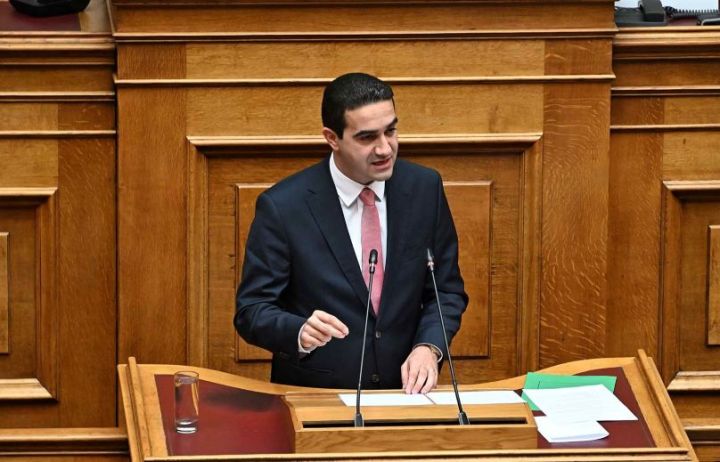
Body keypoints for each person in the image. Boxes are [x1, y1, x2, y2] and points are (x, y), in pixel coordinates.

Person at [234, 72, 467, 394]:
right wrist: (298, 330)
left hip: (405, 395)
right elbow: (252, 310)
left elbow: (446, 291)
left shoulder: (424, 188)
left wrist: (430, 346)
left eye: (391, 131)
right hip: (318, 395)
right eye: (367, 137)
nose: (385, 148)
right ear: (332, 138)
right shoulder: (284, 206)